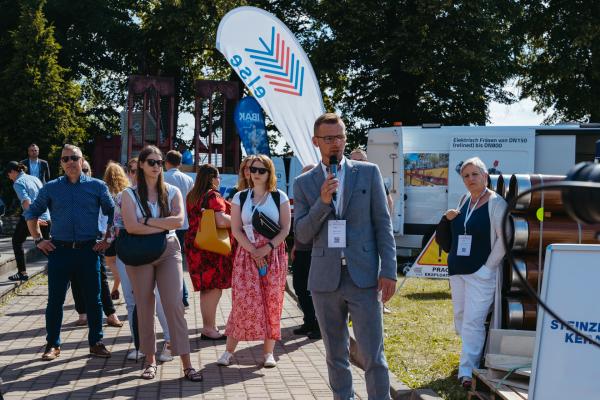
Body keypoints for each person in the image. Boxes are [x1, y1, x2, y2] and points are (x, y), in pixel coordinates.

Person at [294, 113, 397, 400]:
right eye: (329, 138)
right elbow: (301, 234)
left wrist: (389, 270)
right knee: (335, 354)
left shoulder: (368, 172)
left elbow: (383, 224)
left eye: (340, 137)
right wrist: (322, 202)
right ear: (316, 142)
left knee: (373, 353)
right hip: (324, 281)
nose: (335, 143)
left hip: (363, 277)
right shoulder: (304, 183)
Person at [25, 144, 114, 361]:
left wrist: (108, 239)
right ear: (61, 164)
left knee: (94, 300)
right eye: (65, 159)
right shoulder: (51, 188)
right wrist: (38, 240)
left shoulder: (98, 186)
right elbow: (31, 213)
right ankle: (52, 344)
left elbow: (114, 213)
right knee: (55, 301)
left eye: (74, 157)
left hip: (88, 251)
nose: (70, 162)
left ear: (83, 161)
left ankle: (96, 342)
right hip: (60, 251)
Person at [120, 145, 202, 381]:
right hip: (140, 254)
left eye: (159, 162)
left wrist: (146, 220)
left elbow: (178, 221)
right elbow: (131, 226)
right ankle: (150, 360)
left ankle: (187, 363)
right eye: (151, 162)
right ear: (142, 165)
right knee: (144, 306)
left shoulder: (173, 191)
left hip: (168, 250)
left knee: (175, 304)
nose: (157, 166)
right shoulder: (129, 194)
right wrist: (159, 223)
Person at [217, 154, 291, 368]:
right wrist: (253, 251)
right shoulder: (240, 197)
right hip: (246, 255)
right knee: (242, 303)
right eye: (253, 169)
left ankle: (268, 353)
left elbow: (286, 228)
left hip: (273, 254)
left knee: (272, 302)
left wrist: (266, 248)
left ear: (269, 173)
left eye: (261, 170)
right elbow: (236, 229)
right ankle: (228, 351)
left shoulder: (279, 197)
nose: (256, 174)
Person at [439, 157, 507, 389]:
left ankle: (467, 370)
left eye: (474, 174)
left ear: (485, 176)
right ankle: (471, 353)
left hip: (481, 273)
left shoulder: (496, 203)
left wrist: (488, 268)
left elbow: (504, 239)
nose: (470, 179)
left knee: (473, 321)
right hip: (458, 270)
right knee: (460, 317)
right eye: (466, 176)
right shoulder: (464, 199)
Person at [69, 161, 123, 328]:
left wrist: (106, 237)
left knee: (100, 277)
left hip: (95, 240)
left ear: (90, 170)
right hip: (72, 240)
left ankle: (111, 313)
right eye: (81, 169)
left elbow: (110, 213)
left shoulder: (98, 188)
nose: (83, 172)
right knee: (75, 278)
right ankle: (82, 314)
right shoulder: (68, 188)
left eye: (86, 169)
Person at [185, 164, 234, 340]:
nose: (219, 180)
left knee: (207, 288)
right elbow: (220, 220)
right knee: (214, 289)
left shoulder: (192, 195)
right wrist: (239, 220)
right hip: (212, 248)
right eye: (218, 177)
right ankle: (209, 328)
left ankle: (208, 327)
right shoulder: (213, 195)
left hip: (196, 245)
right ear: (212, 178)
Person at [6, 161, 51, 281]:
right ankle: (66, 269)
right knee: (47, 246)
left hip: (32, 216)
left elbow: (26, 202)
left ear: (13, 172)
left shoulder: (18, 183)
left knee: (17, 241)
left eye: (8, 174)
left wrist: (35, 220)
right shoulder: (34, 178)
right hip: (45, 216)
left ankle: (22, 273)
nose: (9, 177)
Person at [290, 163, 320, 339]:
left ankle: (317, 325)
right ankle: (308, 320)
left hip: (315, 251)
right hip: (301, 250)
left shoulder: (320, 199)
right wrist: (295, 246)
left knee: (313, 290)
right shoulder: (303, 198)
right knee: (299, 287)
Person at [163, 150, 193, 307]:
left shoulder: (161, 177)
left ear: (166, 162)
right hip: (184, 223)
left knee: (168, 261)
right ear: (180, 163)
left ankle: (181, 296)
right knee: (178, 259)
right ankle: (183, 295)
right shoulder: (188, 179)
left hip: (165, 223)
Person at [102, 161, 129, 300]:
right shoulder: (127, 190)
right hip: (125, 230)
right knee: (123, 262)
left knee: (110, 260)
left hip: (110, 230)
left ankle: (118, 284)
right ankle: (116, 287)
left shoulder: (104, 190)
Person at [350, 148, 394, 213]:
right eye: (354, 160)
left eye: (361, 160)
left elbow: (388, 201)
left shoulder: (374, 178)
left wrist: (387, 220)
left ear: (366, 162)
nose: (358, 163)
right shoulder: (344, 177)